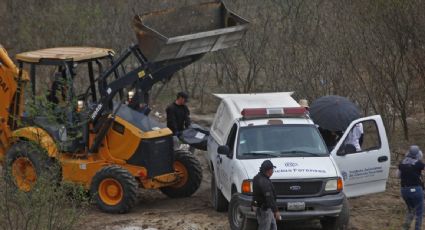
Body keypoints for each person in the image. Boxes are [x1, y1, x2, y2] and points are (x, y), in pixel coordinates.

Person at [397, 145, 424, 230]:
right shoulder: (419, 164)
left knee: (411, 210)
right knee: (419, 213)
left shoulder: (402, 163)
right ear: (418, 154)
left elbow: (397, 175)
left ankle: (405, 228)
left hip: (404, 191)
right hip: (416, 190)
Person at [252, 160, 281, 230]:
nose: (273, 171)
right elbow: (269, 198)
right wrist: (276, 211)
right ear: (269, 171)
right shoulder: (264, 182)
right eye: (272, 169)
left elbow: (255, 194)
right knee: (265, 227)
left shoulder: (257, 178)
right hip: (265, 210)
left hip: (262, 208)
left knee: (273, 227)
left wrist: (253, 204)